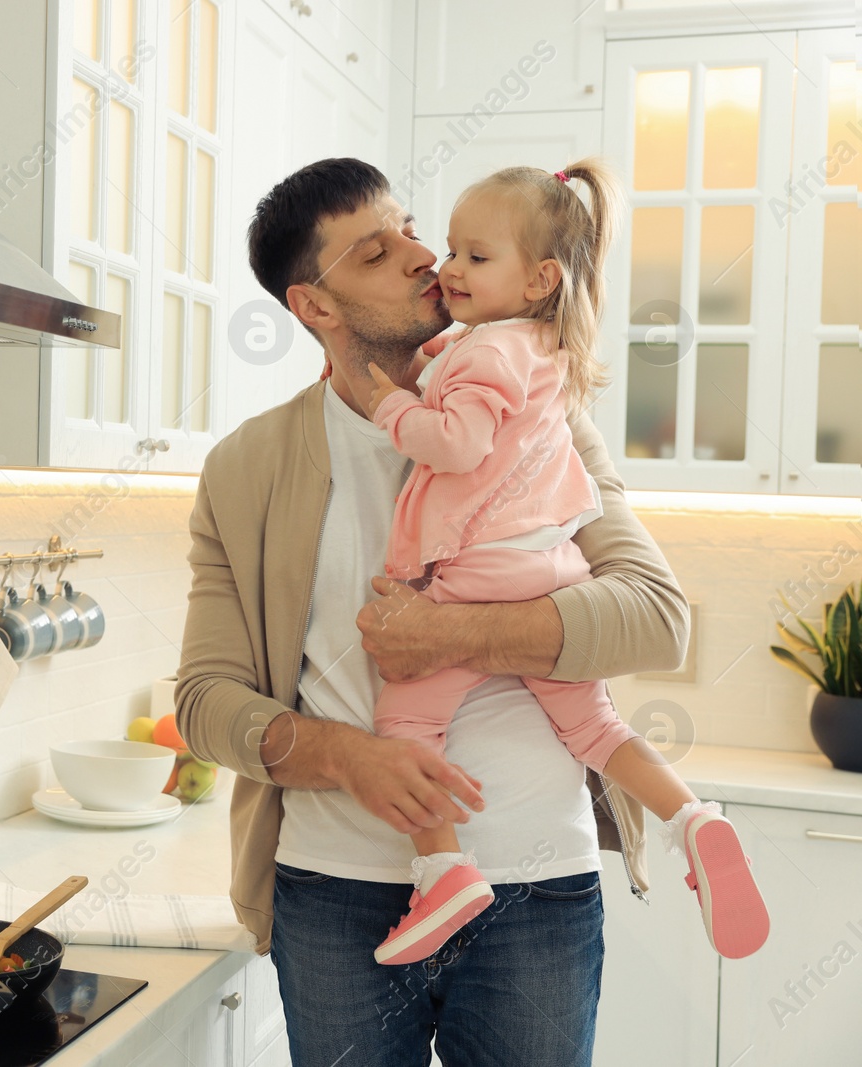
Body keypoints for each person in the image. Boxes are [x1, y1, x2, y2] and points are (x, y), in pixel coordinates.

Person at [176, 158, 683, 1066]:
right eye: (377, 250)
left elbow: (656, 616)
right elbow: (204, 701)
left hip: (535, 883)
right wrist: (343, 756)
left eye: (411, 227)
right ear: (315, 307)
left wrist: (453, 633)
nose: (420, 256)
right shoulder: (247, 468)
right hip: (336, 894)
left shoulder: (540, 408)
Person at [357, 161, 769, 967]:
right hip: (551, 562)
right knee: (593, 725)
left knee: (404, 719)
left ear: (541, 277)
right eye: (449, 250)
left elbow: (460, 442)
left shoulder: (483, 356)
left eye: (475, 257)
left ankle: (443, 871)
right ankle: (691, 818)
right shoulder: (544, 348)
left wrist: (393, 407)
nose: (447, 269)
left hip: (482, 568)